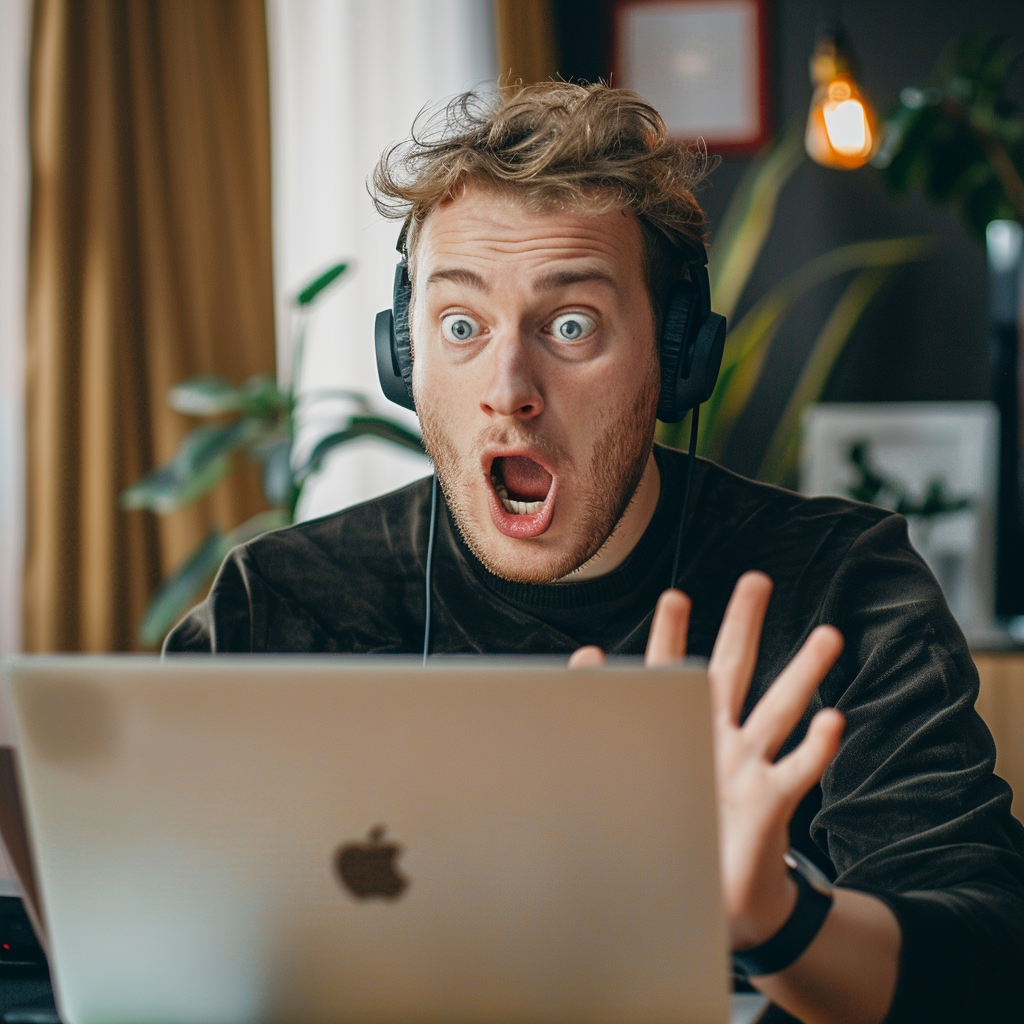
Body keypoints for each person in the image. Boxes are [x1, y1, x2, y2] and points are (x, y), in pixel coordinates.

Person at [165, 83, 1024, 1023]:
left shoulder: (842, 590)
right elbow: (147, 919)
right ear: (402, 360)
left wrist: (776, 919)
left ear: (678, 356)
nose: (509, 388)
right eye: (461, 326)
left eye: (570, 325)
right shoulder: (278, 602)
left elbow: (985, 956)